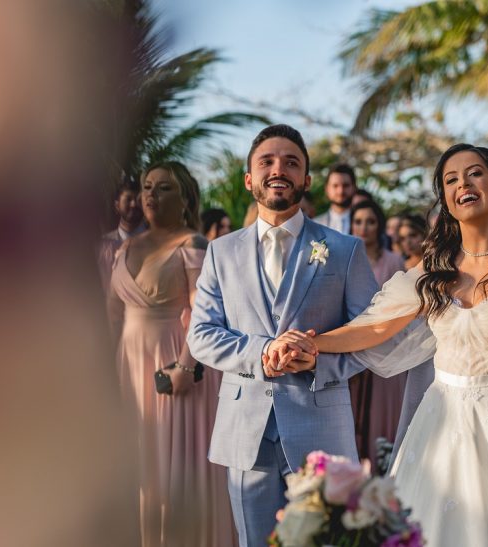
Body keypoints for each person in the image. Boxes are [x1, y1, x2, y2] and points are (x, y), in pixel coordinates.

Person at [269, 144, 488, 546]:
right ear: (445, 201)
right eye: (451, 180)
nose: (463, 185)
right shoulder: (434, 269)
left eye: (474, 174)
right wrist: (314, 345)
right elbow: (374, 328)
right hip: (442, 426)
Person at [186, 125, 378, 547]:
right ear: (249, 179)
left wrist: (319, 361)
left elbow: (370, 336)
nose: (279, 169)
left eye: (292, 162)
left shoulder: (344, 249)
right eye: (267, 161)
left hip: (320, 429)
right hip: (246, 433)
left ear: (307, 181)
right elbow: (200, 335)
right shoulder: (221, 251)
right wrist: (262, 352)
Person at [109, 161, 236, 547]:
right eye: (147, 186)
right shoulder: (126, 246)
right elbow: (112, 311)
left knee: (174, 466)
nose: (150, 194)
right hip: (130, 362)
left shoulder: (193, 244)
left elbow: (205, 311)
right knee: (143, 466)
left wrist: (185, 365)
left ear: (185, 199)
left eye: (163, 188)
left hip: (175, 363)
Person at [348, 200, 406, 464]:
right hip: (352, 347)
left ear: (379, 226)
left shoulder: (394, 261)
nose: (364, 227)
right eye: (358, 221)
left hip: (386, 346)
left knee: (381, 411)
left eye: (370, 221)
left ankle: (383, 464)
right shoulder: (344, 257)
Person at [98, 176, 146, 291]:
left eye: (138, 200)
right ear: (117, 205)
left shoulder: (158, 243)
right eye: (128, 199)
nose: (134, 204)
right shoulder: (103, 245)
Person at [313, 163, 357, 233]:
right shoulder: (315, 225)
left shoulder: (365, 224)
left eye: (346, 185)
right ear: (327, 189)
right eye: (335, 186)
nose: (340, 191)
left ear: (354, 187)